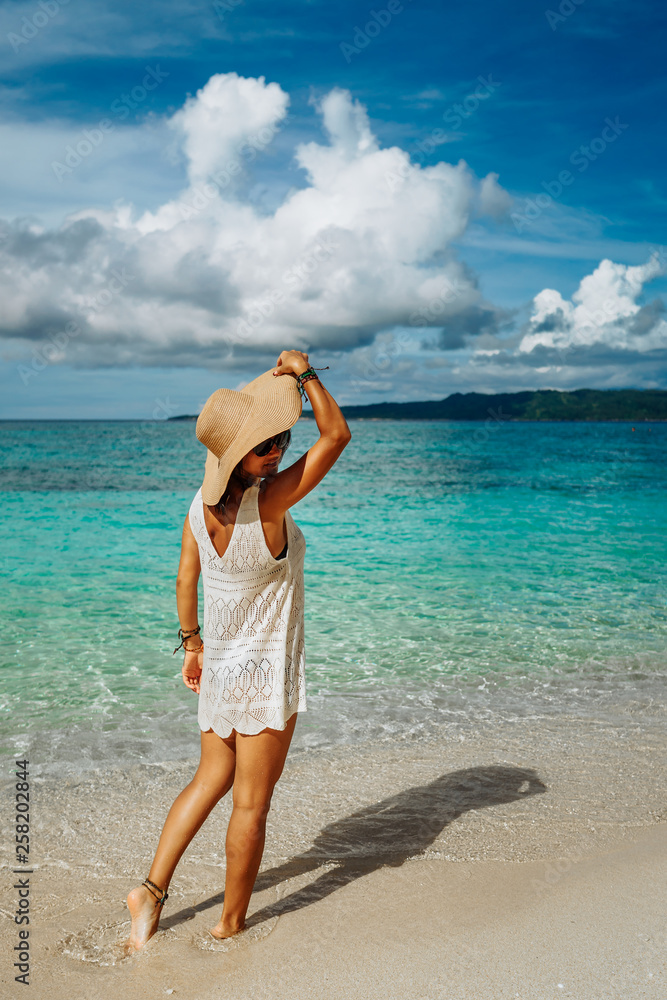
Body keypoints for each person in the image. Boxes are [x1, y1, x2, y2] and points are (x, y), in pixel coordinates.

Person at [125, 349, 351, 952]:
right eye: (264, 446)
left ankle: (150, 889)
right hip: (263, 676)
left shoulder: (198, 510)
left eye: (280, 440)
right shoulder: (270, 502)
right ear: (237, 456)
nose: (276, 453)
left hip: (223, 670)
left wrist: (192, 646)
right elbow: (338, 434)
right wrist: (303, 373)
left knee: (209, 781)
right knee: (250, 807)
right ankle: (229, 925)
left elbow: (184, 579)